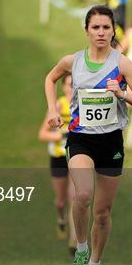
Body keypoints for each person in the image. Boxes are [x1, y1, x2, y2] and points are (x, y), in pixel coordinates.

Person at [44, 5, 132, 265]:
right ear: (87, 30)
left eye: (106, 27)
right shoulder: (72, 61)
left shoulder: (123, 64)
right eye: (96, 27)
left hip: (111, 141)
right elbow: (49, 78)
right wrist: (52, 110)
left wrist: (121, 93)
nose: (101, 32)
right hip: (81, 138)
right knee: (82, 196)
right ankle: (81, 250)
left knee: (103, 212)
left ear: (113, 30)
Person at [38, 74, 77, 255]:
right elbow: (42, 134)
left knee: (74, 197)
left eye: (75, 85)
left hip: (77, 156)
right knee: (61, 201)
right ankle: (61, 219)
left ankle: (74, 241)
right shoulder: (59, 105)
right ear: (63, 87)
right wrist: (61, 135)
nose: (72, 88)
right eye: (69, 85)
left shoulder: (84, 104)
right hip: (59, 156)